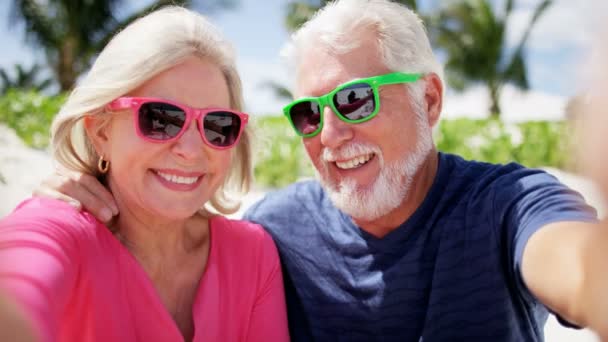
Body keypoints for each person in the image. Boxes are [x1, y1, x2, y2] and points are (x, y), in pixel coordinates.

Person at [31, 0, 608, 341]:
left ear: (428, 101)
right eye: (308, 112)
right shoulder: (276, 233)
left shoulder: (507, 203)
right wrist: (73, 197)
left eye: (356, 100)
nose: (329, 136)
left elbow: (578, 264)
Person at [0, 6, 288, 342]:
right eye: (161, 119)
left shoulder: (251, 254)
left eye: (217, 125)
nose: (192, 150)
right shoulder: (58, 228)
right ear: (101, 132)